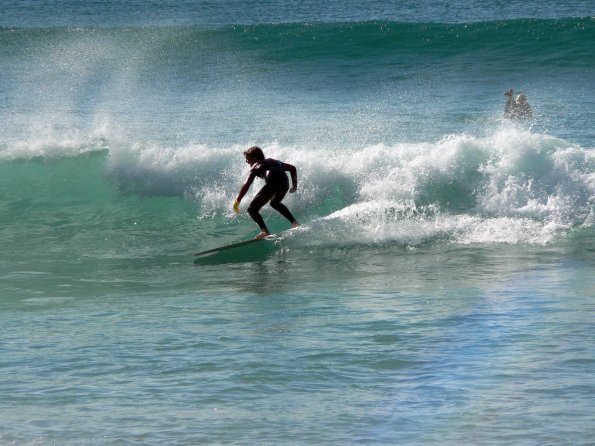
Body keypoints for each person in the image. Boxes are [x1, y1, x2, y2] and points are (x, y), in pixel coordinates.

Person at [234, 146, 300, 239]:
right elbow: (292, 168)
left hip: (273, 184)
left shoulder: (256, 167)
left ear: (255, 157)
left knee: (252, 209)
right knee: (274, 203)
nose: (247, 161)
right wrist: (294, 186)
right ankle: (295, 223)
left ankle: (265, 232)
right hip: (284, 184)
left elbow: (247, 184)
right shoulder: (273, 161)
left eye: (248, 158)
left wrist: (238, 200)